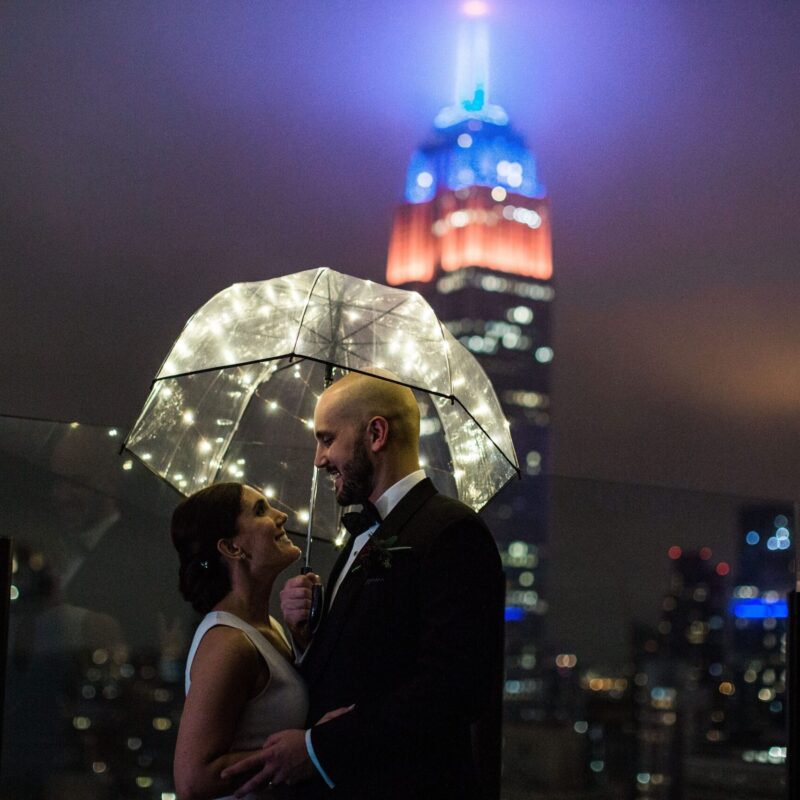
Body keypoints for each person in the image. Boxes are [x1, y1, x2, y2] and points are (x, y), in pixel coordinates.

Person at [222, 372, 505, 799]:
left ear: (376, 433)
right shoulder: (360, 535)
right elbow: (362, 663)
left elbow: (455, 686)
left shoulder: (452, 531)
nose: (319, 459)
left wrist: (320, 748)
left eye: (327, 439)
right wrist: (306, 634)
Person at [172, 482, 323, 800]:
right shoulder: (229, 644)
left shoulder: (269, 627)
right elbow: (193, 779)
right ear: (231, 548)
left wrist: (303, 639)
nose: (281, 515)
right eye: (260, 511)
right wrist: (308, 748)